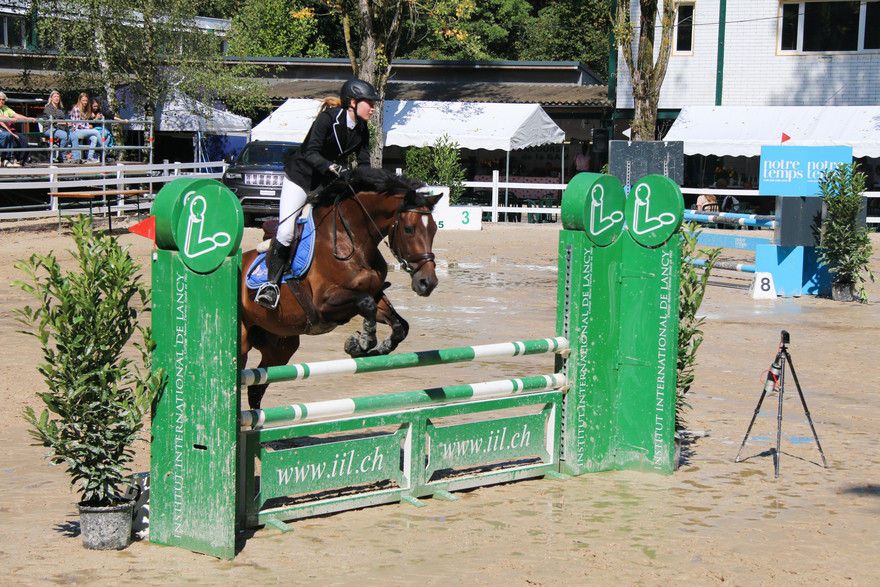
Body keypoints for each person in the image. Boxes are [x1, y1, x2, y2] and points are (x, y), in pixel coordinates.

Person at [255, 78, 378, 309]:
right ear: (353, 102)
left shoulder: (362, 129)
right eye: (369, 103)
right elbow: (310, 152)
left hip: (324, 184)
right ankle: (270, 286)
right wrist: (333, 167)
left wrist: (372, 184)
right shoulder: (328, 119)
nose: (373, 108)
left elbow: (364, 164)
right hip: (300, 180)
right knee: (287, 231)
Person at [0, 91, 36, 167]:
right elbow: (1, 119)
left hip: (7, 129)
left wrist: (27, 118)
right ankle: (6, 158)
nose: (2, 101)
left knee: (22, 138)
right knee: (8, 135)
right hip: (3, 130)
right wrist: (9, 120)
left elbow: (15, 115)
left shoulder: (5, 108)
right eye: (0, 99)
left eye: (3, 99)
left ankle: (23, 160)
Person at [68, 93, 101, 163]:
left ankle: (90, 157)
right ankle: (104, 147)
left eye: (86, 100)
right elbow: (78, 124)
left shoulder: (85, 109)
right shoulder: (76, 109)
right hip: (77, 130)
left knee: (94, 138)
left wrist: (89, 127)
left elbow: (85, 122)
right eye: (83, 100)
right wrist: (88, 127)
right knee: (96, 132)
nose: (85, 102)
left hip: (83, 130)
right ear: (80, 100)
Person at [43, 90, 71, 163]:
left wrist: (66, 123)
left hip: (60, 128)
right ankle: (62, 156)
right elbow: (53, 120)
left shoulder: (60, 108)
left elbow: (63, 118)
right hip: (49, 128)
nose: (56, 98)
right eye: (55, 96)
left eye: (58, 96)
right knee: (64, 136)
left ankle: (67, 156)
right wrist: (65, 123)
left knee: (69, 136)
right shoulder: (48, 108)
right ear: (51, 98)